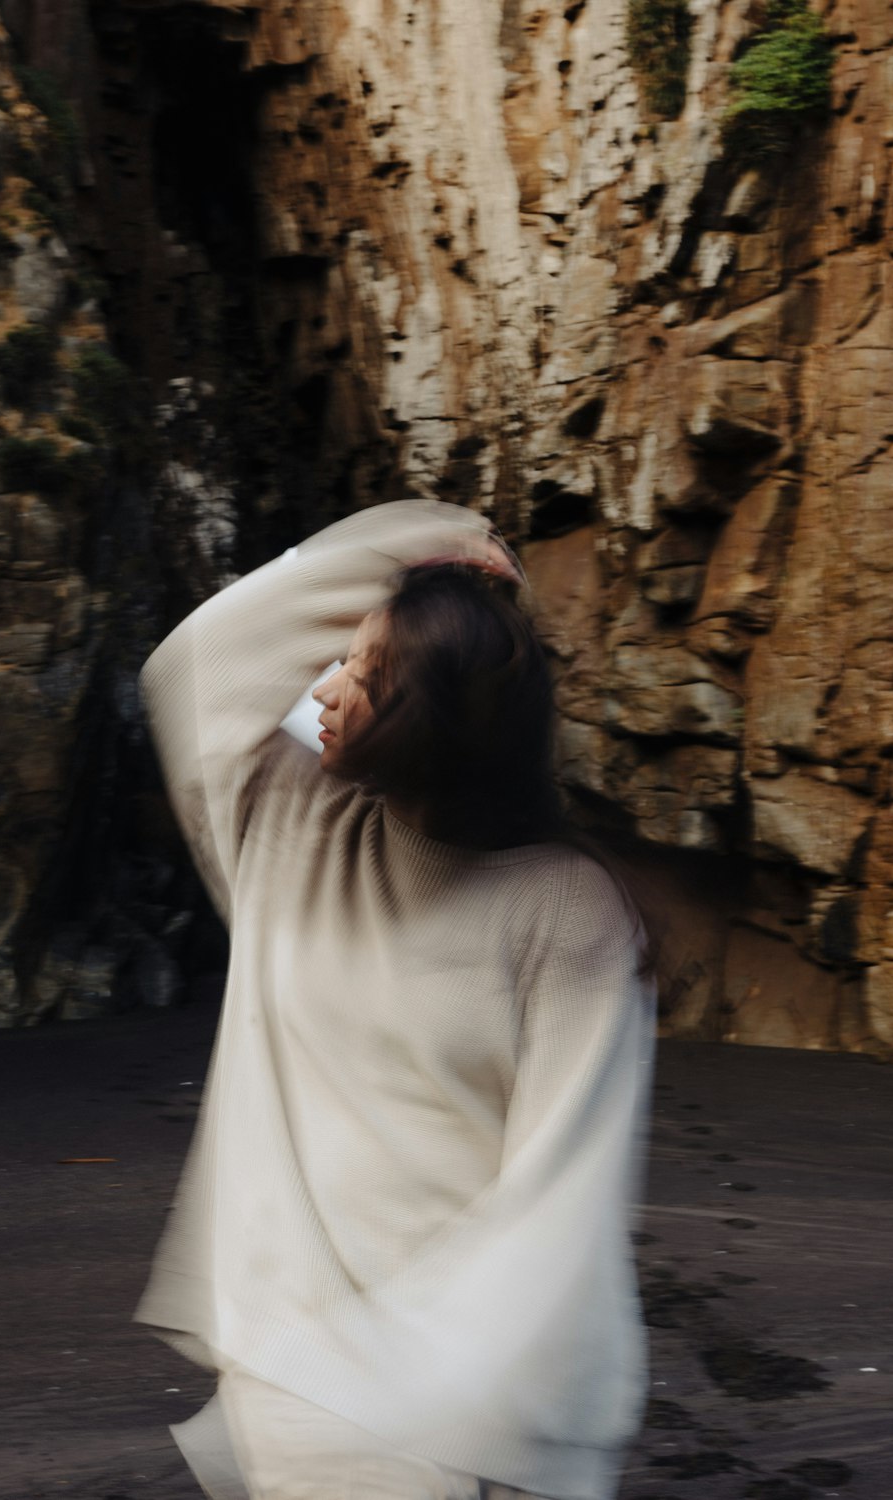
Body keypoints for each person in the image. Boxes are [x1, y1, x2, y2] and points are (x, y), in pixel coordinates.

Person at [136, 499, 656, 1500]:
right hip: (295, 1386)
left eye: (364, 673)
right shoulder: (292, 834)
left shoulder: (565, 909)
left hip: (449, 1405)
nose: (322, 686)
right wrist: (431, 548)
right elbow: (201, 658)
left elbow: (561, 1195)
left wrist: (472, 1404)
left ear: (432, 707)